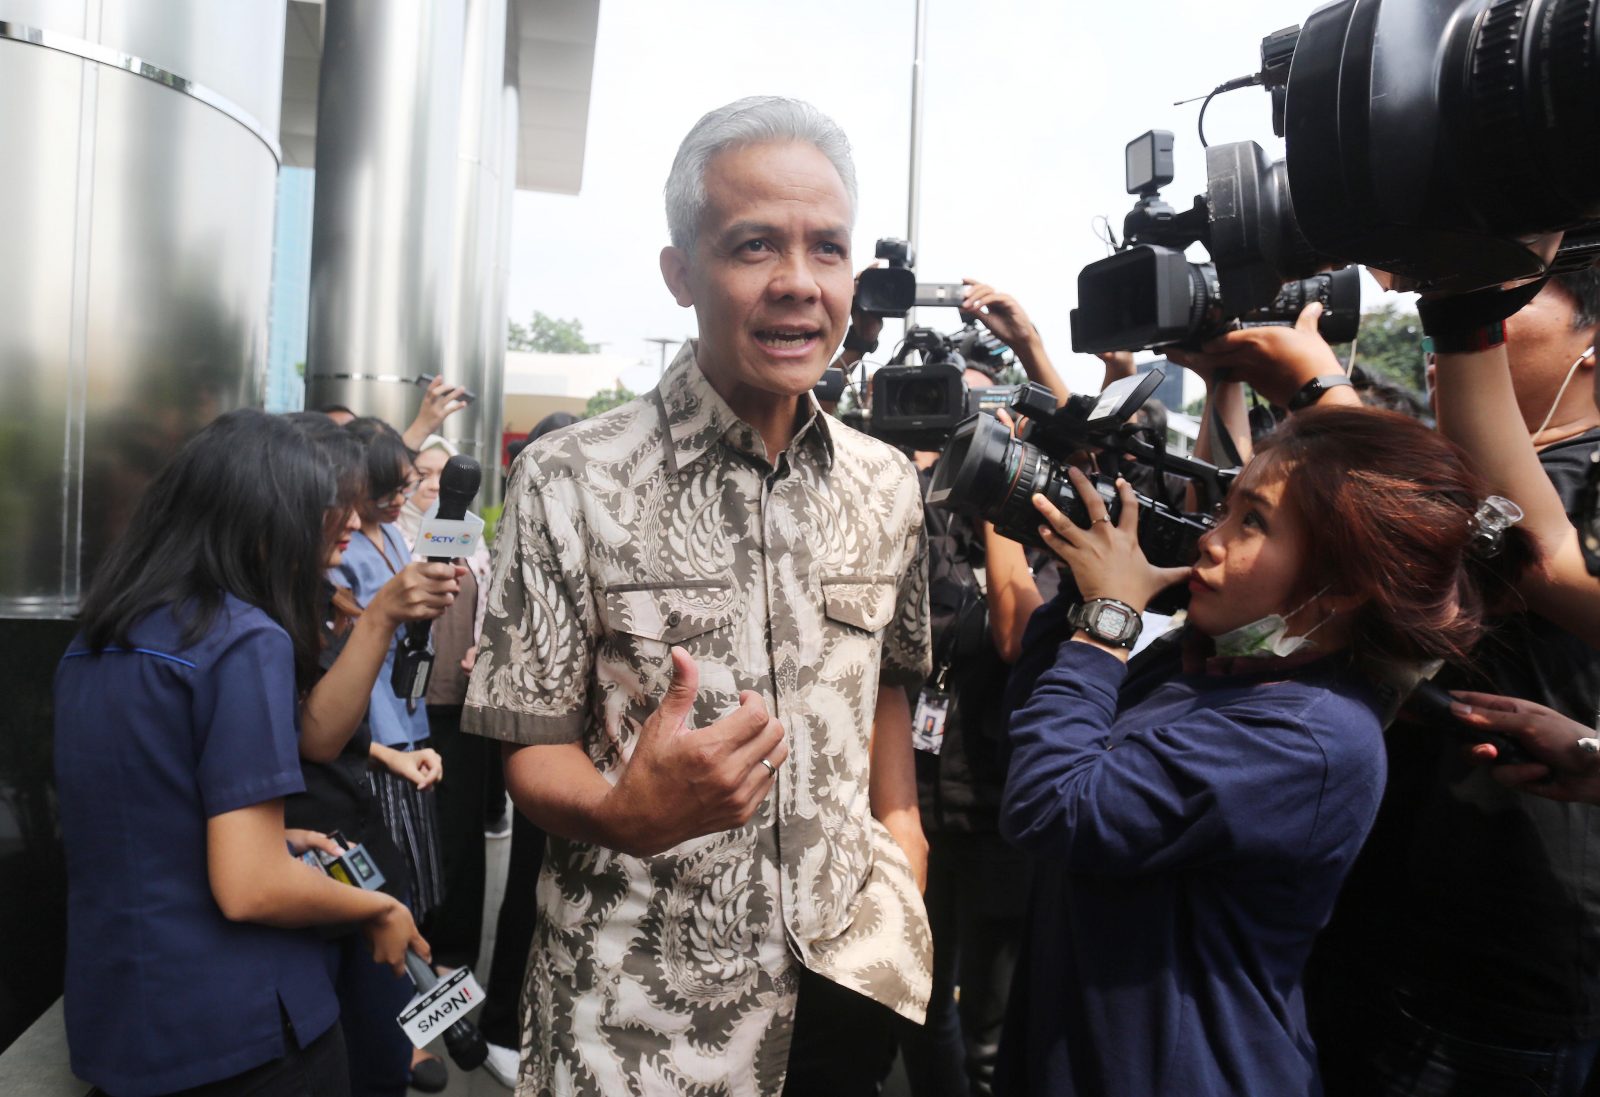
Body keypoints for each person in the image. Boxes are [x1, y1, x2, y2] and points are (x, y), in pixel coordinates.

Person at [461, 96, 933, 1097]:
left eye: (827, 248)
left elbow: (888, 684)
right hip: (637, 1024)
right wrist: (622, 811)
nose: (797, 281)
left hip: (846, 986)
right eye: (754, 245)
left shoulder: (888, 483)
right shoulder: (569, 479)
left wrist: (904, 840)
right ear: (680, 273)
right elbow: (529, 748)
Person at [994, 405, 1527, 1097]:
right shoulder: (1204, 664)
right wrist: (1079, 587)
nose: (1211, 539)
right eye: (1227, 509)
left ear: (1346, 583)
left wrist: (1108, 622)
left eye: (1253, 522)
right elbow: (1037, 730)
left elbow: (1053, 807)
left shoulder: (1311, 734)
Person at [55, 409, 426, 1097]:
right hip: (243, 1025)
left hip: (124, 1019)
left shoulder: (96, 639)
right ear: (264, 519)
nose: (342, 532)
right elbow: (251, 885)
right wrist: (376, 909)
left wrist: (273, 836)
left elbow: (146, 817)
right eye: (322, 511)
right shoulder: (242, 639)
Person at [284, 413, 463, 1097]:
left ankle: (405, 1031)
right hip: (322, 826)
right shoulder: (251, 630)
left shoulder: (313, 594)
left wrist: (385, 753)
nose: (360, 521)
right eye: (352, 502)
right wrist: (383, 615)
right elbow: (312, 732)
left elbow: (320, 727)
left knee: (404, 903)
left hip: (360, 790)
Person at [400, 434, 495, 979]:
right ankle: (410, 944)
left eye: (445, 474)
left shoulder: (475, 544)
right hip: (404, 709)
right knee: (415, 829)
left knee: (460, 830)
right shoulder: (393, 539)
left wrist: (485, 650)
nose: (436, 484)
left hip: (462, 707)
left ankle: (454, 954)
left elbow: (490, 611)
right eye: (424, 473)